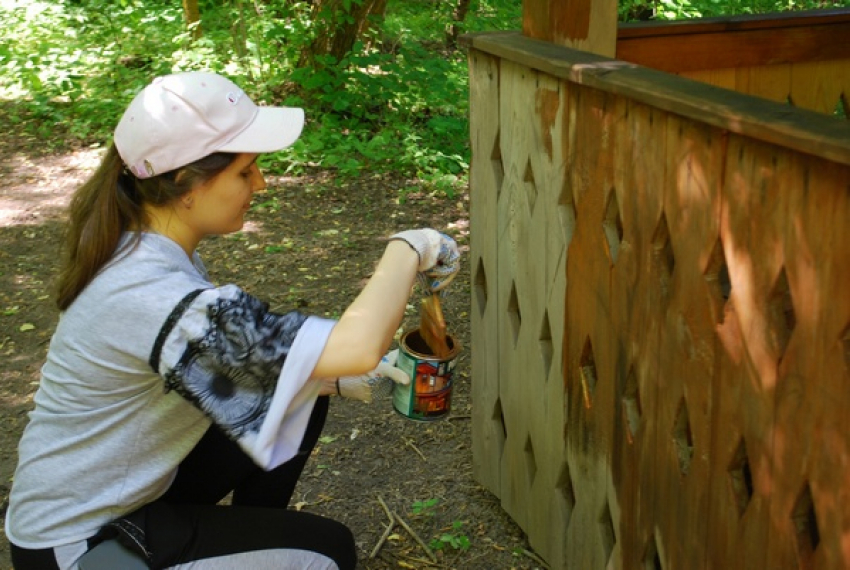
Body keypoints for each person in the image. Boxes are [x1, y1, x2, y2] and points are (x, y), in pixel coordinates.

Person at [5, 71, 460, 570]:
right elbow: (357, 344)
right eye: (245, 172)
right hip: (80, 547)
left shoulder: (141, 247)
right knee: (326, 554)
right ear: (186, 184)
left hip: (121, 494)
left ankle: (247, 545)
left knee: (299, 393)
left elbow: (238, 366)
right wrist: (410, 247)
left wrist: (334, 378)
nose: (260, 183)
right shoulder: (149, 291)